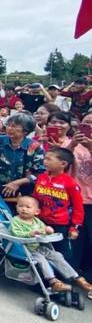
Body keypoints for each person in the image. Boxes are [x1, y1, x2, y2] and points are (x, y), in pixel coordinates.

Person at [9, 195, 92, 292]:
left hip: (38, 247)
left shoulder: (37, 221)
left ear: (37, 211)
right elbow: (15, 233)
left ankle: (76, 278)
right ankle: (53, 282)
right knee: (41, 260)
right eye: (20, 206)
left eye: (28, 207)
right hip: (25, 249)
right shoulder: (16, 220)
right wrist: (30, 233)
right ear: (16, 208)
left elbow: (44, 230)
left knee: (57, 255)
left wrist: (48, 230)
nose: (24, 209)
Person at [0, 112, 45, 203]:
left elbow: (40, 173)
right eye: (8, 125)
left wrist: (17, 183)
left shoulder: (35, 147)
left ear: (25, 131)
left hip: (22, 193)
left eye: (14, 126)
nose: (9, 129)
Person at [67, 110, 92, 272]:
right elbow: (60, 164)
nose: (88, 126)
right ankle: (72, 274)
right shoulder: (73, 144)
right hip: (74, 200)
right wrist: (71, 145)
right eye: (85, 123)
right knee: (75, 239)